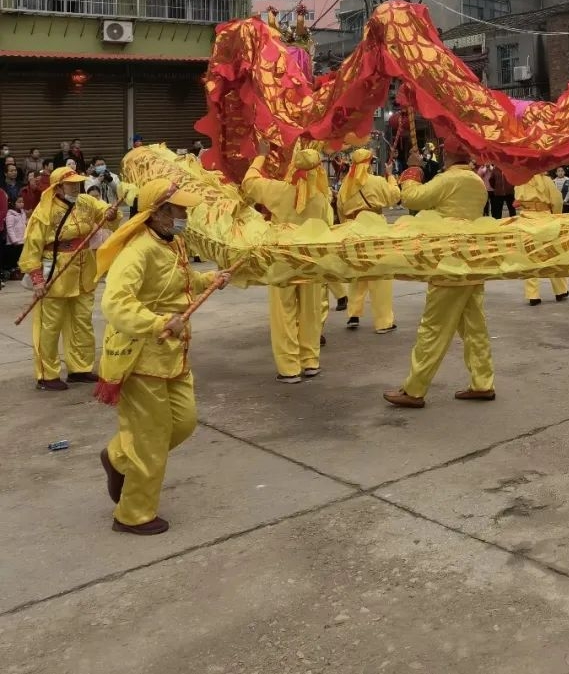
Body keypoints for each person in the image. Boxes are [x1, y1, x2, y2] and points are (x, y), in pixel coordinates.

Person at [94, 179, 231, 536]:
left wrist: (212, 278)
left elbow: (182, 282)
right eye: (179, 209)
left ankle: (118, 457)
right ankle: (133, 514)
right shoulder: (137, 251)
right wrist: (156, 323)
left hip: (174, 352)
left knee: (183, 423)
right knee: (151, 438)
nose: (185, 215)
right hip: (140, 356)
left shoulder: (175, 242)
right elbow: (115, 303)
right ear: (157, 213)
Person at [383, 141, 494, 408]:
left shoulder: (449, 180)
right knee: (474, 328)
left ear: (450, 154)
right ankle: (482, 382)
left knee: (433, 327)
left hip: (448, 265)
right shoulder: (477, 182)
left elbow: (412, 198)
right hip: (472, 262)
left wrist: (412, 169)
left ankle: (414, 388)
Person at [20, 168, 119, 390]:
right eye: (70, 185)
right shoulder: (44, 211)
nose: (75, 187)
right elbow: (32, 245)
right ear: (58, 187)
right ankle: (47, 374)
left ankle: (80, 368)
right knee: (49, 325)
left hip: (84, 270)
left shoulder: (86, 201)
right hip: (55, 271)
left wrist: (111, 213)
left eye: (77, 184)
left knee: (82, 321)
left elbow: (106, 214)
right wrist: (37, 279)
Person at [242, 144, 332, 384]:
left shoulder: (278, 190)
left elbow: (248, 183)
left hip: (282, 260)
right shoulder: (322, 199)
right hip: (311, 260)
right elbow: (327, 227)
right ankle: (310, 361)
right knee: (311, 311)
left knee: (284, 314)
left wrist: (261, 155)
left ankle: (289, 368)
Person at [338, 147, 400, 333]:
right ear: (370, 163)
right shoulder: (377, 181)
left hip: (353, 229)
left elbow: (341, 208)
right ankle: (383, 322)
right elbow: (394, 197)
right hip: (375, 228)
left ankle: (353, 315)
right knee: (381, 275)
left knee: (357, 273)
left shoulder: (345, 185)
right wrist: (390, 176)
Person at [514, 172, 569, 306]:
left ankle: (533, 295)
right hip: (544, 218)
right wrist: (556, 216)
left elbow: (517, 200)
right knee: (552, 254)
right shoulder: (547, 180)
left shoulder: (519, 180)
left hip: (525, 218)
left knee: (529, 256)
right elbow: (557, 200)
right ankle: (560, 290)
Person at [4, 194, 27, 278]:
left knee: (20, 259)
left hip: (22, 240)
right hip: (14, 243)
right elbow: (9, 229)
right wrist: (14, 240)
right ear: (14, 203)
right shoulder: (10, 215)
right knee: (14, 259)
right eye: (19, 202)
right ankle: (13, 274)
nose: (22, 203)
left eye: (22, 202)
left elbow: (24, 225)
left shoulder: (23, 213)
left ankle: (20, 273)